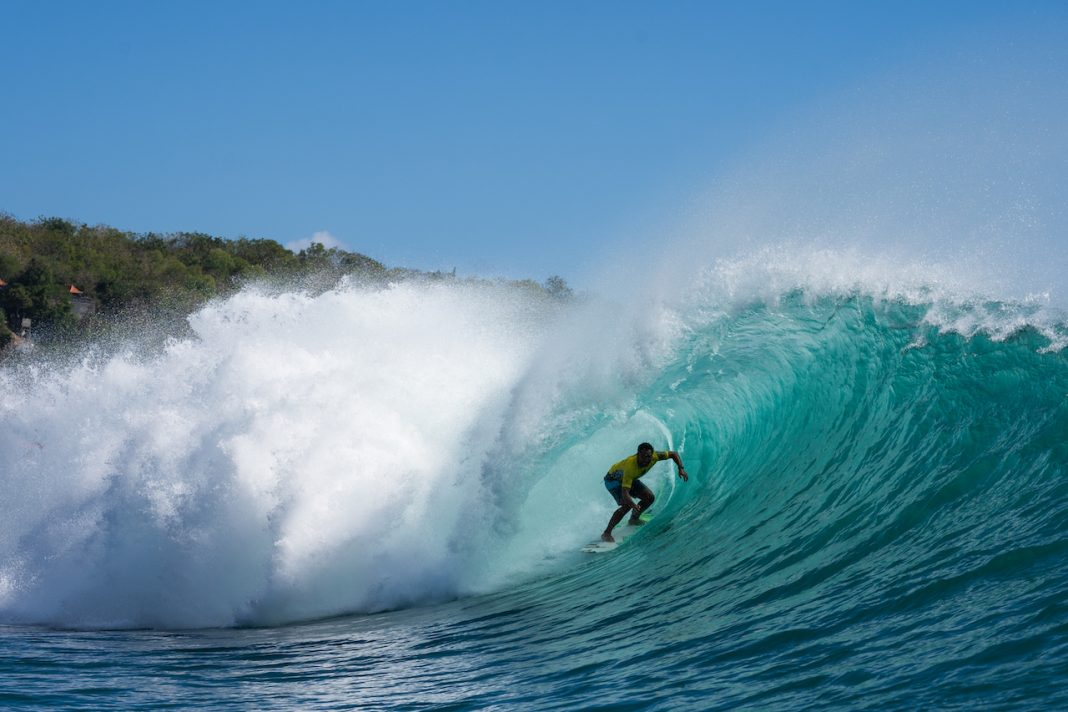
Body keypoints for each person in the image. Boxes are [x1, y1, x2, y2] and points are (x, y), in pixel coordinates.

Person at [601, 442, 688, 542]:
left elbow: (673, 454)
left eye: (648, 456)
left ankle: (634, 519)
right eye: (643, 457)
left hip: (628, 479)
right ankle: (606, 533)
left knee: (649, 497)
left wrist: (680, 468)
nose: (646, 459)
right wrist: (633, 504)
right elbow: (625, 493)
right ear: (638, 455)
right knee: (627, 505)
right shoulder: (631, 467)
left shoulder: (655, 456)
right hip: (613, 481)